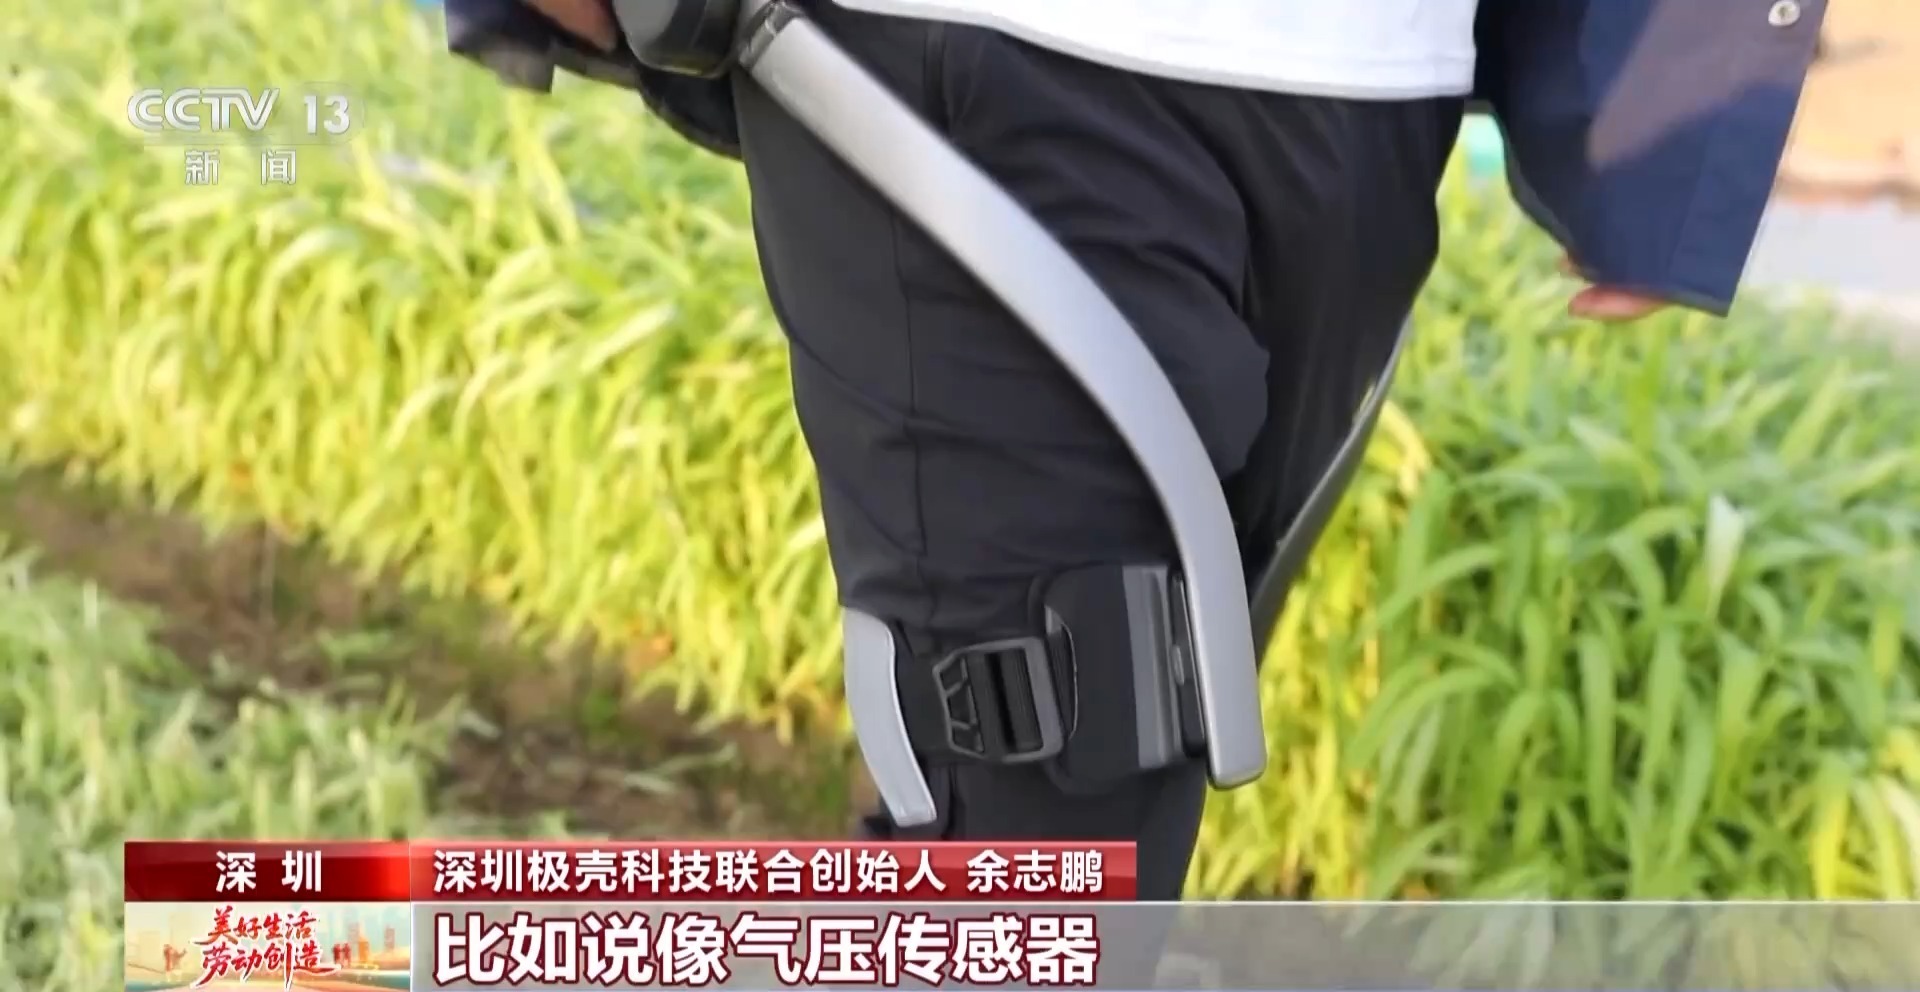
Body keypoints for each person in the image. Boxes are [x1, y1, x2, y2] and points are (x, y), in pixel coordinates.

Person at [456, 0, 1827, 902]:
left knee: (1100, 834)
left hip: (1358, 91)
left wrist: (1680, 74)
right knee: (1037, 845)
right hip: (972, 56)